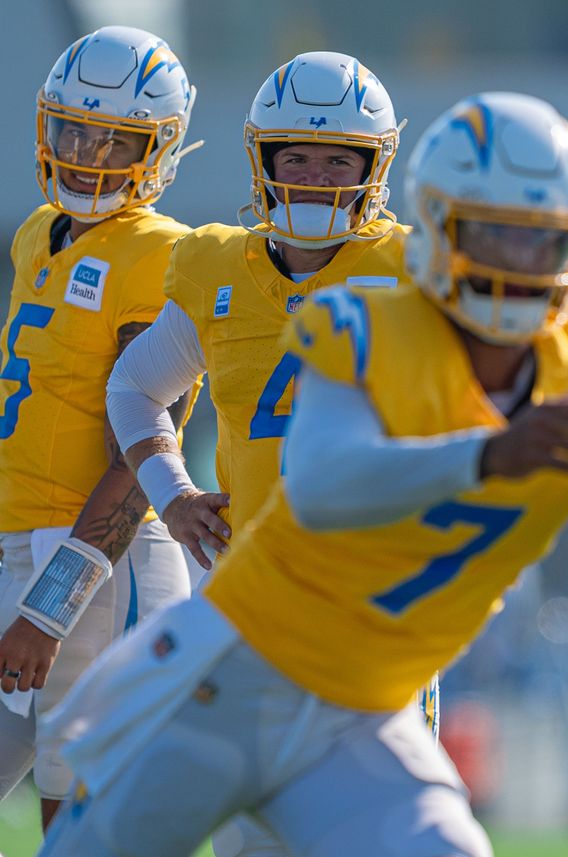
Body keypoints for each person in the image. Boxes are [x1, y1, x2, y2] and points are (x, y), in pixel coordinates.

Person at [37, 91, 568, 857]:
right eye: (491, 234)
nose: (517, 264)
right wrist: (490, 456)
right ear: (435, 228)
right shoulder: (368, 324)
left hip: (364, 713)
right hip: (233, 670)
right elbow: (326, 487)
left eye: (541, 242)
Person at [103, 50, 417, 857]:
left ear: (373, 165)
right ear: (263, 161)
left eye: (338, 158)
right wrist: (171, 493)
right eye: (296, 156)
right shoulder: (219, 266)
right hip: (251, 608)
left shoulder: (416, 272)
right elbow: (135, 387)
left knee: (379, 835)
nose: (315, 176)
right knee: (254, 843)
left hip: (370, 606)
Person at [0, 26, 198, 830]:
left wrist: (49, 607)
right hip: (19, 543)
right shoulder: (36, 233)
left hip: (98, 561)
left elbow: (144, 445)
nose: (89, 154)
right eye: (75, 129)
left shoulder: (162, 252)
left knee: (75, 818)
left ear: (162, 149)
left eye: (120, 141)